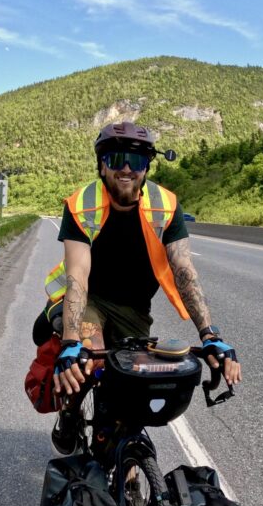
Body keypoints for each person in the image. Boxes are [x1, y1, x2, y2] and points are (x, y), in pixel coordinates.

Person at [46, 121, 241, 453]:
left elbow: (184, 271)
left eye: (135, 161)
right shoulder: (81, 204)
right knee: (90, 361)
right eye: (116, 158)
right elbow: (78, 274)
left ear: (147, 166)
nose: (125, 168)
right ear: (101, 163)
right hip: (88, 296)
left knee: (135, 377)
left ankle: (126, 463)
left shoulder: (165, 206)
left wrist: (210, 336)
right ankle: (69, 414)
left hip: (133, 306)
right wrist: (70, 343)